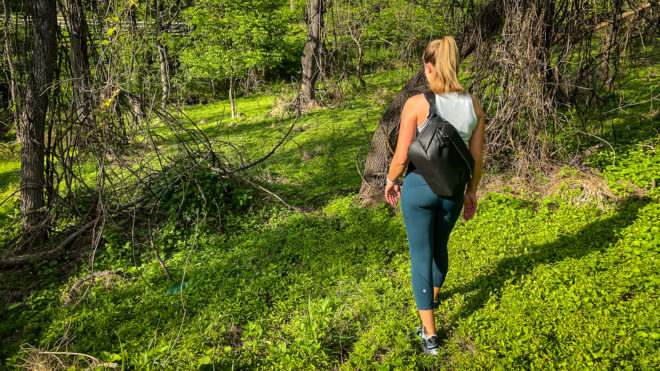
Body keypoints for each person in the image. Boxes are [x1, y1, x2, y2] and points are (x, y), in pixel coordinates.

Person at [383, 36, 485, 355]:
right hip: (453, 191)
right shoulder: (474, 104)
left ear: (429, 67)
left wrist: (389, 181)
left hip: (417, 188)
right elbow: (477, 158)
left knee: (420, 257)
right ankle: (432, 298)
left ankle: (429, 335)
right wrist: (471, 192)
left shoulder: (416, 104)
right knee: (440, 247)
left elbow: (401, 157)